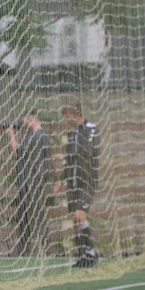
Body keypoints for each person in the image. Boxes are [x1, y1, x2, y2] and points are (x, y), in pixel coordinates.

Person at [54, 102, 100, 268]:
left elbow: (89, 152)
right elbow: (69, 160)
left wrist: (66, 155)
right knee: (75, 220)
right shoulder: (72, 133)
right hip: (72, 182)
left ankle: (90, 253)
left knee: (80, 216)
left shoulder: (91, 129)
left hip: (86, 181)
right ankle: (84, 255)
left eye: (68, 117)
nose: (66, 121)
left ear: (76, 115)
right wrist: (61, 180)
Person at [6, 109, 51, 257]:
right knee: (24, 215)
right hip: (30, 179)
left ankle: (47, 247)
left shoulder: (35, 136)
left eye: (24, 119)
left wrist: (11, 134)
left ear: (31, 118)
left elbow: (17, 151)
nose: (23, 123)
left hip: (30, 180)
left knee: (36, 214)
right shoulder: (42, 136)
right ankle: (23, 247)